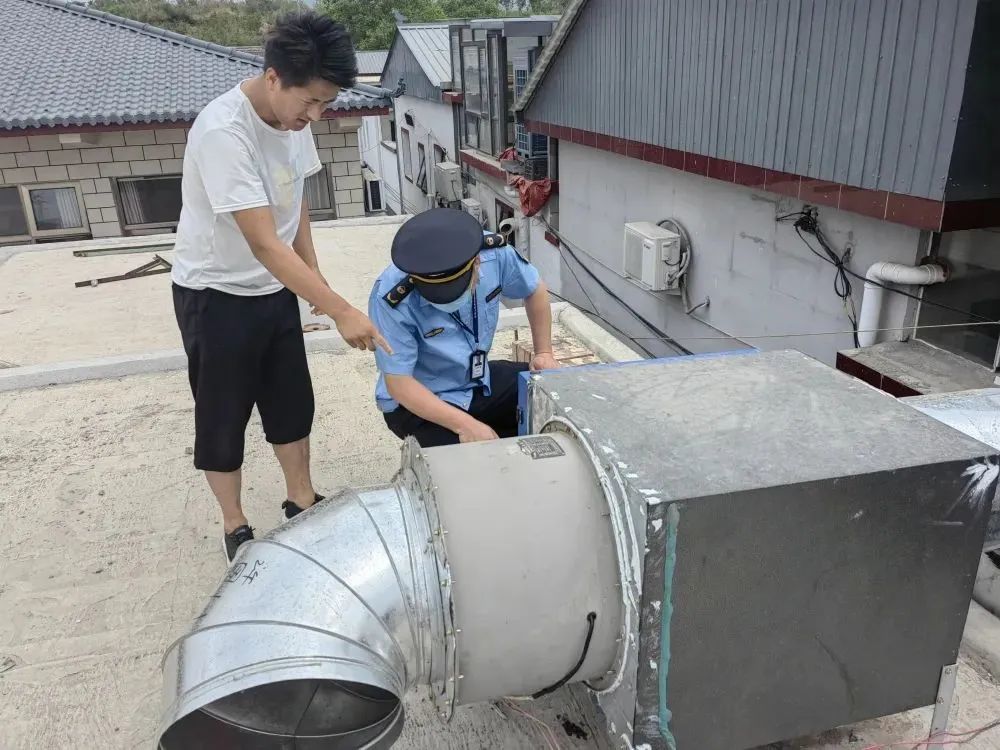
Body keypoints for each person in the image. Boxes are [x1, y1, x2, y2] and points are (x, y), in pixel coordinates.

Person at [171, 11, 389, 564]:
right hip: (215, 293)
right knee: (223, 415)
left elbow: (296, 204)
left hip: (275, 289)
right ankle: (235, 524)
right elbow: (265, 243)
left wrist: (315, 281)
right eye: (309, 101)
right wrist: (339, 309)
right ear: (273, 78)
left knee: (291, 400)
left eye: (326, 104)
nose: (314, 115)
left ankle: (301, 500)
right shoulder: (224, 131)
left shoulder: (296, 122)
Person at [369, 208, 560, 447]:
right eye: (436, 295)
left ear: (476, 264)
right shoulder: (391, 296)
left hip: (476, 381)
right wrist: (465, 425)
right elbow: (399, 383)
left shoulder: (494, 255)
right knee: (474, 459)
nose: (445, 300)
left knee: (550, 394)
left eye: (454, 290)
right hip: (419, 402)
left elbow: (534, 288)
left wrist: (544, 353)